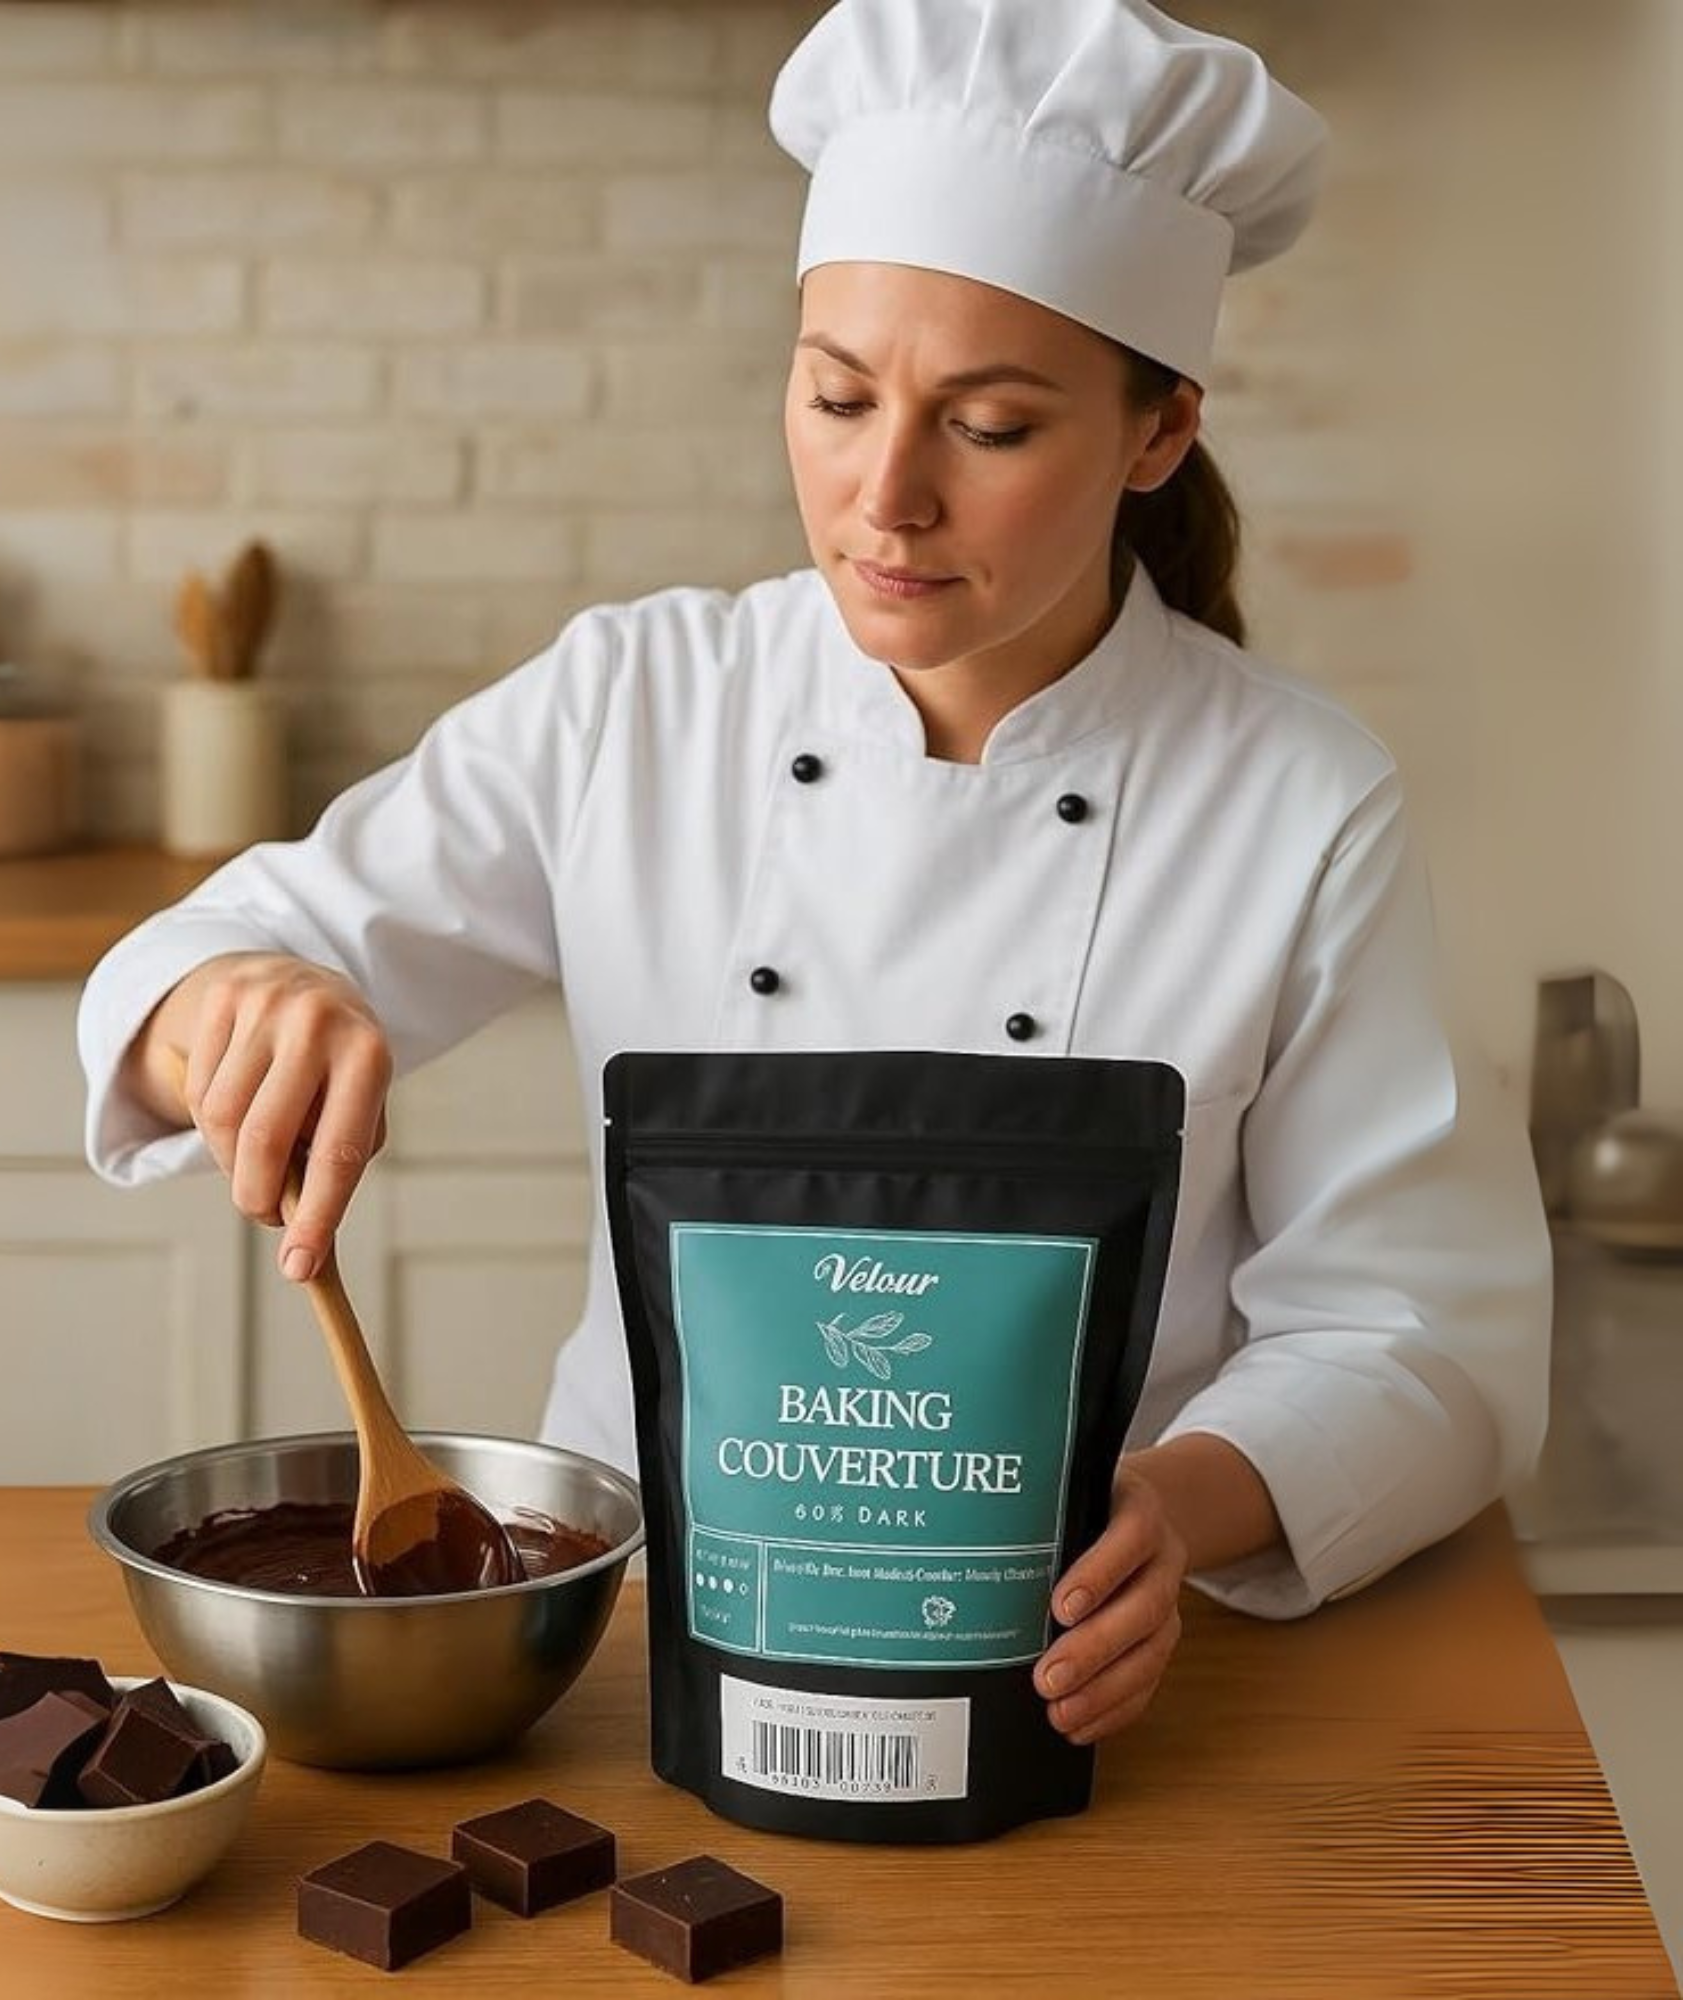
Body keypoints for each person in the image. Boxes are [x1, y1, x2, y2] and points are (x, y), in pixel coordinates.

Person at [79, 0, 1551, 1754]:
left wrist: (1189, 1503)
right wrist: (238, 1006)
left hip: (1068, 1657)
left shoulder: (1299, 800)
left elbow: (1410, 1327)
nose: (885, 497)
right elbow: (227, 947)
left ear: (1158, 437)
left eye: (990, 429)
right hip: (635, 1641)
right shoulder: (635, 701)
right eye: (837, 396)